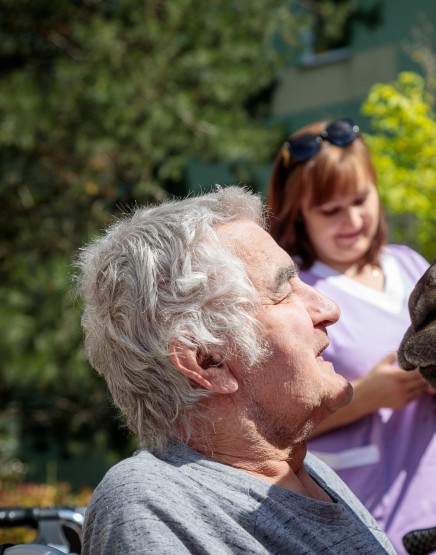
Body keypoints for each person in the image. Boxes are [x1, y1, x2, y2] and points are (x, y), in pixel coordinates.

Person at [74, 186, 396, 554]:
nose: (329, 308)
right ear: (207, 361)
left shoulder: (311, 474)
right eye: (284, 291)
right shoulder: (155, 504)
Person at [267, 118, 436, 554]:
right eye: (330, 210)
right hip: (365, 518)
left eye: (360, 200)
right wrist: (366, 396)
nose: (352, 220)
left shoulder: (410, 266)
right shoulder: (296, 294)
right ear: (298, 213)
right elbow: (275, 425)